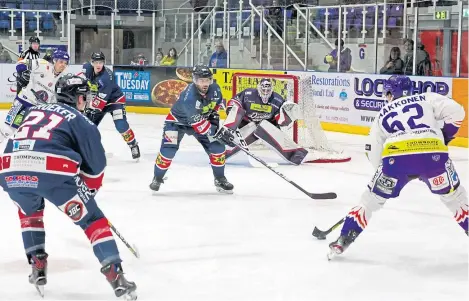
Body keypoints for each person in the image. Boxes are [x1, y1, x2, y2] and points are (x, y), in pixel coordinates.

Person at [0, 75, 137, 299]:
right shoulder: (80, 120)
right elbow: (95, 168)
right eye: (84, 97)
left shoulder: (35, 110)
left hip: (8, 169)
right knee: (93, 220)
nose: (86, 102)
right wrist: (87, 196)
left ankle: (37, 266)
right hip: (51, 171)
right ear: (77, 98)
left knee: (29, 212)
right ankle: (115, 274)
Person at [327, 75, 467, 260]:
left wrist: (387, 175)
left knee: (369, 201)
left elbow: (373, 150)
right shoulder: (426, 98)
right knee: (455, 198)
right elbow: (458, 112)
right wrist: (444, 137)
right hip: (434, 156)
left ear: (391, 93)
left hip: (395, 159)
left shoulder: (382, 113)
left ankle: (343, 239)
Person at [149, 65, 234, 193]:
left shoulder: (216, 89)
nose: (205, 84)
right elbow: (199, 125)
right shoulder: (189, 97)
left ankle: (220, 179)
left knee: (218, 148)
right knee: (168, 150)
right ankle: (158, 177)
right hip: (177, 123)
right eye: (201, 80)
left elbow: (215, 109)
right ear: (194, 80)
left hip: (202, 122)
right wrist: (216, 132)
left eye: (207, 80)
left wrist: (216, 126)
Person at [219, 78, 313, 165]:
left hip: (264, 127)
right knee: (242, 116)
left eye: (268, 90)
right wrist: (232, 109)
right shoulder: (248, 94)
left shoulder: (277, 99)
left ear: (271, 89)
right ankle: (222, 148)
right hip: (245, 123)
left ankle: (294, 153)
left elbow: (281, 122)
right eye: (263, 90)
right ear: (259, 88)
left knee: (263, 125)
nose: (265, 92)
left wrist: (287, 115)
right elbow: (234, 103)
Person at [0, 50, 70, 143]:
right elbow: (21, 63)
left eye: (65, 63)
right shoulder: (42, 64)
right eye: (61, 62)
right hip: (23, 102)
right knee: (8, 130)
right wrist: (23, 72)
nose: (63, 65)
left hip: (40, 110)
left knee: (30, 136)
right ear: (54, 61)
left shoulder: (64, 77)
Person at [81, 52, 140, 160]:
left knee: (121, 125)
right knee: (88, 126)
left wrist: (89, 108)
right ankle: (84, 149)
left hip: (114, 101)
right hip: (99, 100)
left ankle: (133, 144)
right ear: (92, 63)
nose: (98, 65)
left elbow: (101, 102)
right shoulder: (86, 69)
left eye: (101, 62)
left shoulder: (106, 77)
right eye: (96, 62)